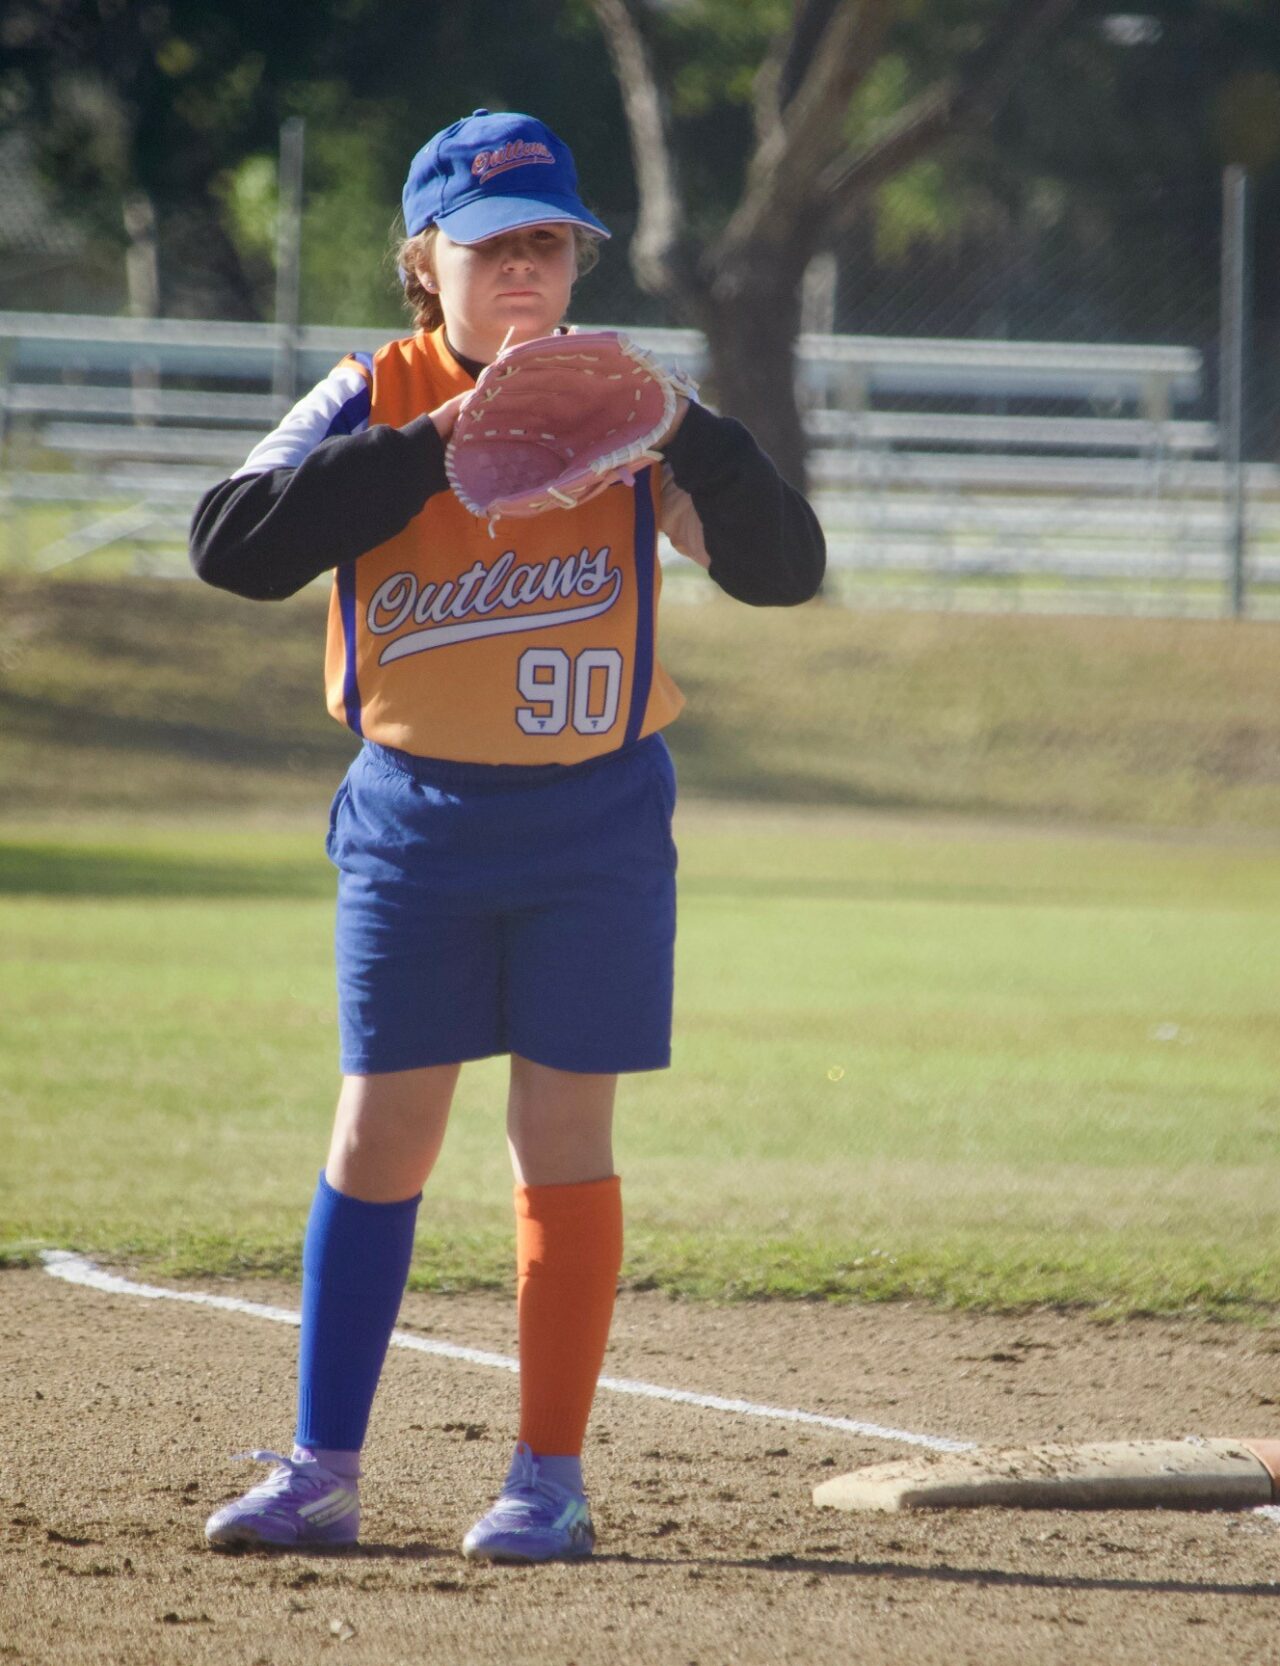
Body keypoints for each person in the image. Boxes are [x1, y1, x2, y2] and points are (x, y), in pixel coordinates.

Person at [190, 108, 825, 1563]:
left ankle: (548, 1477)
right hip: (416, 821)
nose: (524, 270)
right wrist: (436, 445)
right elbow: (232, 541)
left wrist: (686, 432)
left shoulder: (628, 403)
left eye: (548, 242)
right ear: (427, 262)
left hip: (595, 820)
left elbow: (786, 569)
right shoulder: (374, 390)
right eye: (490, 248)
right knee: (383, 1127)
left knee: (563, 1135)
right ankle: (323, 1469)